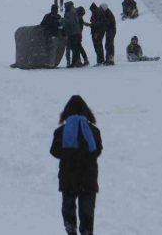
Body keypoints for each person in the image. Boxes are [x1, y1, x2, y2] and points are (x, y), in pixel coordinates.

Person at [50, 95, 103, 235]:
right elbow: (97, 151)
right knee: (87, 212)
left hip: (68, 176)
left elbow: (54, 152)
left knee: (68, 210)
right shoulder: (94, 131)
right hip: (89, 177)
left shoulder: (61, 131)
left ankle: (71, 229)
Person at [63, 2, 83, 68]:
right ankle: (76, 62)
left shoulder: (70, 13)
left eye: (65, 6)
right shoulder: (74, 12)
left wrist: (66, 33)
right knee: (76, 47)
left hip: (72, 33)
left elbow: (69, 23)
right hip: (76, 32)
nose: (65, 7)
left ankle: (73, 62)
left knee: (72, 48)